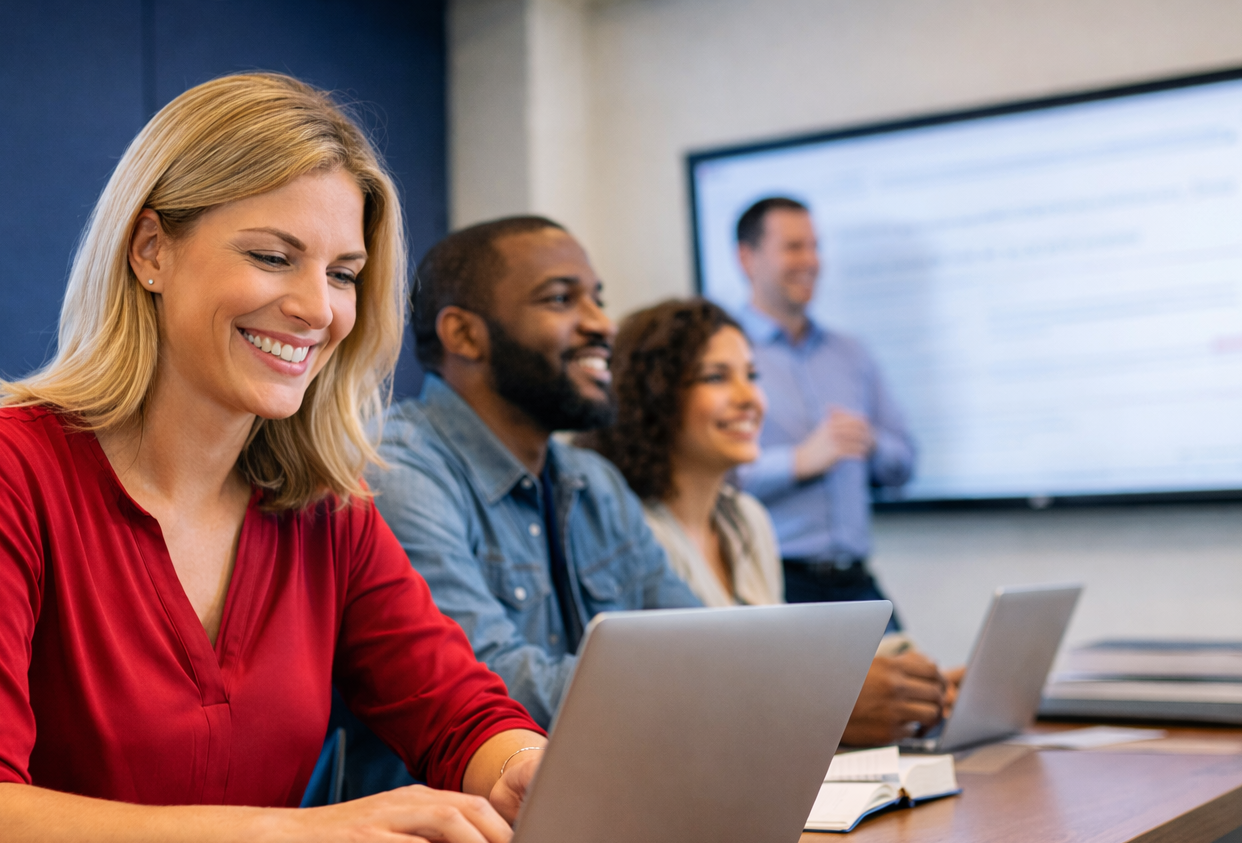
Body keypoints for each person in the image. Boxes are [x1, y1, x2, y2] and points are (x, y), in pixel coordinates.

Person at [0, 74, 547, 843]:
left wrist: (522, 765)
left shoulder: (329, 513)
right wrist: (292, 838)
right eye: (271, 256)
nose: (316, 308)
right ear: (150, 250)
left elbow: (456, 713)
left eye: (344, 273)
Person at [364, 217, 701, 758]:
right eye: (561, 300)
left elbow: (704, 643)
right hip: (455, 828)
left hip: (604, 802)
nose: (602, 325)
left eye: (597, 299)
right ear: (465, 335)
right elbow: (491, 684)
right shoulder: (398, 471)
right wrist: (715, 690)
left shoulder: (595, 482)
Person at [586, 297, 954, 746]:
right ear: (655, 394)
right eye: (717, 377)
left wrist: (918, 687)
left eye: (752, 376)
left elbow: (774, 669)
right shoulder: (626, 531)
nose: (750, 399)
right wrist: (831, 702)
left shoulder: (748, 520)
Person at [732, 197, 916, 623]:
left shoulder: (851, 354)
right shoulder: (726, 356)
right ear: (748, 258)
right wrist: (798, 462)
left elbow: (904, 463)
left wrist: (870, 443)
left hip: (856, 581)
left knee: (919, 684)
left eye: (815, 247)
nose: (811, 261)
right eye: (794, 247)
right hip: (777, 582)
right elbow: (706, 480)